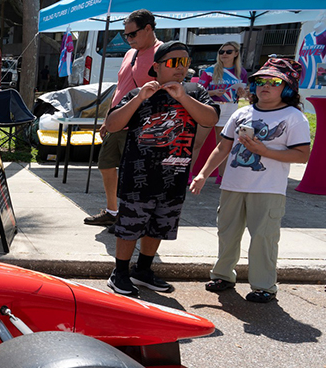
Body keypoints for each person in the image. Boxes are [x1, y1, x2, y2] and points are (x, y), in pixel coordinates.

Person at [103, 41, 219, 297]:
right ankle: (120, 272)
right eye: (174, 62)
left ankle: (143, 269)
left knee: (159, 225)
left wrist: (183, 96)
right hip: (138, 177)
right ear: (156, 66)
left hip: (174, 176)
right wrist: (140, 98)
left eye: (185, 62)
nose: (181, 68)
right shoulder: (139, 93)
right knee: (130, 226)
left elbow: (210, 119)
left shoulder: (195, 91)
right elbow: (112, 125)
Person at [190, 57, 310, 304]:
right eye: (260, 81)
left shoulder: (293, 117)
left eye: (274, 81)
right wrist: (203, 173)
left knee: (263, 238)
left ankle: (264, 286)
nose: (266, 86)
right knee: (227, 233)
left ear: (287, 88)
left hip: (268, 189)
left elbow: (302, 154)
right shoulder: (242, 112)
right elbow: (222, 148)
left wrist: (263, 151)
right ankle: (223, 275)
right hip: (232, 185)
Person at [85, 9, 164, 229]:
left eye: (132, 34)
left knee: (135, 174)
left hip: (141, 125)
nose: (128, 39)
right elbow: (121, 88)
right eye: (125, 35)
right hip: (118, 121)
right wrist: (108, 118)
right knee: (106, 165)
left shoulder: (162, 53)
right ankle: (113, 211)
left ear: (148, 29)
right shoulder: (131, 53)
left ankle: (134, 217)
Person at [193, 41, 249, 180]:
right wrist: (213, 92)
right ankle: (187, 174)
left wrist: (242, 93)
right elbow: (198, 91)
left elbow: (245, 93)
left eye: (228, 51)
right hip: (211, 106)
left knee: (223, 144)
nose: (224, 54)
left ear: (236, 53)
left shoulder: (241, 72)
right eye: (221, 52)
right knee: (197, 142)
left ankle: (222, 176)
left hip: (230, 107)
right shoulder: (210, 71)